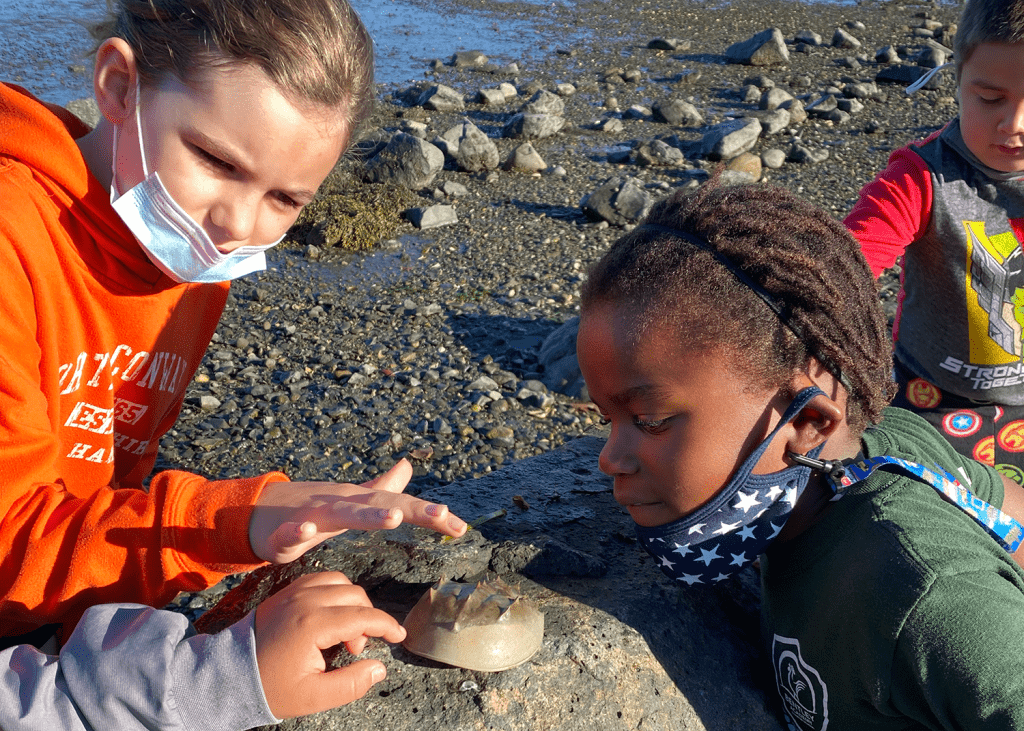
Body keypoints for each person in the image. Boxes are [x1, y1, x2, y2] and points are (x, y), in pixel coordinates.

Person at [0, 0, 466, 727]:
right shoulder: (11, 238)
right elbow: (9, 549)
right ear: (121, 85)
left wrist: (254, 528)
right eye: (216, 161)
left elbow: (107, 477)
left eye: (285, 198)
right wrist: (226, 521)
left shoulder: (196, 266)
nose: (237, 227)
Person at [577, 180, 1024, 729]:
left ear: (809, 422)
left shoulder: (925, 592)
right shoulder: (895, 438)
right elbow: (1003, 502)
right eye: (607, 420)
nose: (609, 459)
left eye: (649, 421)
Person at [844, 0, 1024, 483]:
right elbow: (845, 264)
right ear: (957, 81)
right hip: (931, 399)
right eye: (989, 99)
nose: (1013, 125)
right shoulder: (922, 178)